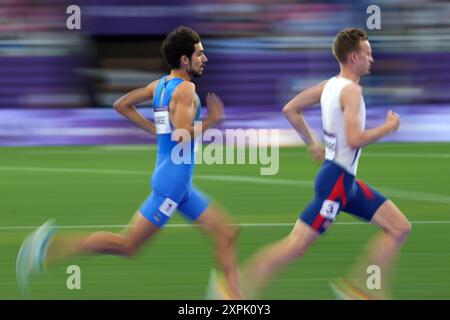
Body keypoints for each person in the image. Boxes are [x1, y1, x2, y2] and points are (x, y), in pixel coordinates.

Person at [16, 26, 241, 299]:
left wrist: (153, 129)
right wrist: (212, 121)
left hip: (181, 186)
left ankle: (228, 297)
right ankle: (48, 247)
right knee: (128, 245)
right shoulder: (185, 90)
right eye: (199, 53)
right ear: (184, 59)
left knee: (227, 233)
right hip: (172, 185)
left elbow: (121, 104)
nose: (204, 59)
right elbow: (182, 134)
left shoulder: (159, 86)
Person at [214, 28, 411, 300]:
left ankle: (363, 289)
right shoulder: (351, 91)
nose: (372, 58)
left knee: (399, 227)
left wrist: (312, 142)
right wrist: (388, 127)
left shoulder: (329, 85)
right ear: (354, 57)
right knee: (296, 246)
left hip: (344, 181)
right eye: (367, 53)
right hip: (337, 184)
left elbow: (290, 109)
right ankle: (233, 289)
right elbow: (354, 139)